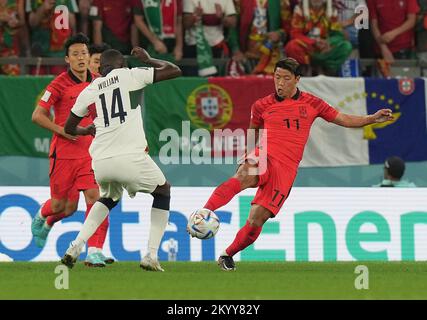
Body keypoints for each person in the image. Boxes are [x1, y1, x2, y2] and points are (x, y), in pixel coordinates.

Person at [197, 57, 394, 271]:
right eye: (277, 77)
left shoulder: (312, 103)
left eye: (286, 79)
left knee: (256, 220)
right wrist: (248, 153)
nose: (280, 83)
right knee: (243, 174)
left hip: (286, 169)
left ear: (297, 79)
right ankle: (203, 213)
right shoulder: (262, 105)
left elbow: (343, 119)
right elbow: (253, 128)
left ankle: (228, 254)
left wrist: (371, 119)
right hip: (265, 156)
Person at [60, 47, 182, 271]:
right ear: (121, 65)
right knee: (163, 191)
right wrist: (148, 59)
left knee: (108, 198)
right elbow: (174, 70)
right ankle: (151, 255)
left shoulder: (90, 89)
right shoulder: (130, 75)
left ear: (100, 68)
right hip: (129, 157)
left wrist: (86, 131)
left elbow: (68, 127)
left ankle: (75, 246)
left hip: (101, 161)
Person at [30, 33, 112, 267]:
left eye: (84, 53)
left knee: (96, 198)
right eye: (75, 54)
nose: (81, 58)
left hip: (90, 154)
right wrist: (62, 130)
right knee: (62, 207)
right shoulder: (58, 84)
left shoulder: (99, 82)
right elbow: (37, 115)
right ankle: (44, 216)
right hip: (64, 154)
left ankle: (94, 251)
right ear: (67, 59)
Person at [367, 0, 420, 77]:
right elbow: (373, 24)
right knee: (382, 85)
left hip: (404, 48)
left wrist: (393, 33)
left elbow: (412, 20)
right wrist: (383, 48)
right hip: (381, 50)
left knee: (402, 84)